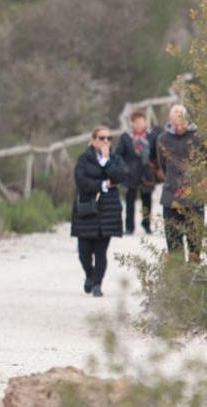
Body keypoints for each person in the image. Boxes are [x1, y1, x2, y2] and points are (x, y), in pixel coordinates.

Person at [70, 126, 126, 298]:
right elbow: (81, 181)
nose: (106, 142)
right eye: (102, 138)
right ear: (94, 140)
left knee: (101, 252)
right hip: (87, 210)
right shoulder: (84, 159)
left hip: (108, 211)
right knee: (84, 251)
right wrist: (101, 185)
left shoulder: (114, 158)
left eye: (109, 138)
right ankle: (89, 274)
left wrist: (106, 162)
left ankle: (97, 284)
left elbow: (119, 177)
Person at [157, 104, 206, 263]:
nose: (178, 127)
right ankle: (179, 282)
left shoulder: (198, 137)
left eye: (181, 123)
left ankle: (194, 277)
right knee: (174, 243)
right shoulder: (162, 139)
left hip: (194, 197)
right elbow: (162, 164)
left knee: (194, 241)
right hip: (171, 198)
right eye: (175, 124)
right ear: (170, 122)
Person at [113, 110, 161, 235]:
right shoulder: (125, 137)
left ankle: (146, 224)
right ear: (132, 123)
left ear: (145, 122)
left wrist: (155, 167)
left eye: (142, 122)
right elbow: (118, 154)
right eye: (137, 122)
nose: (140, 125)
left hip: (147, 173)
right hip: (130, 174)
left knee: (147, 200)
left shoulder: (152, 136)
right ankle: (129, 227)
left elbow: (156, 154)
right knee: (130, 201)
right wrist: (124, 168)